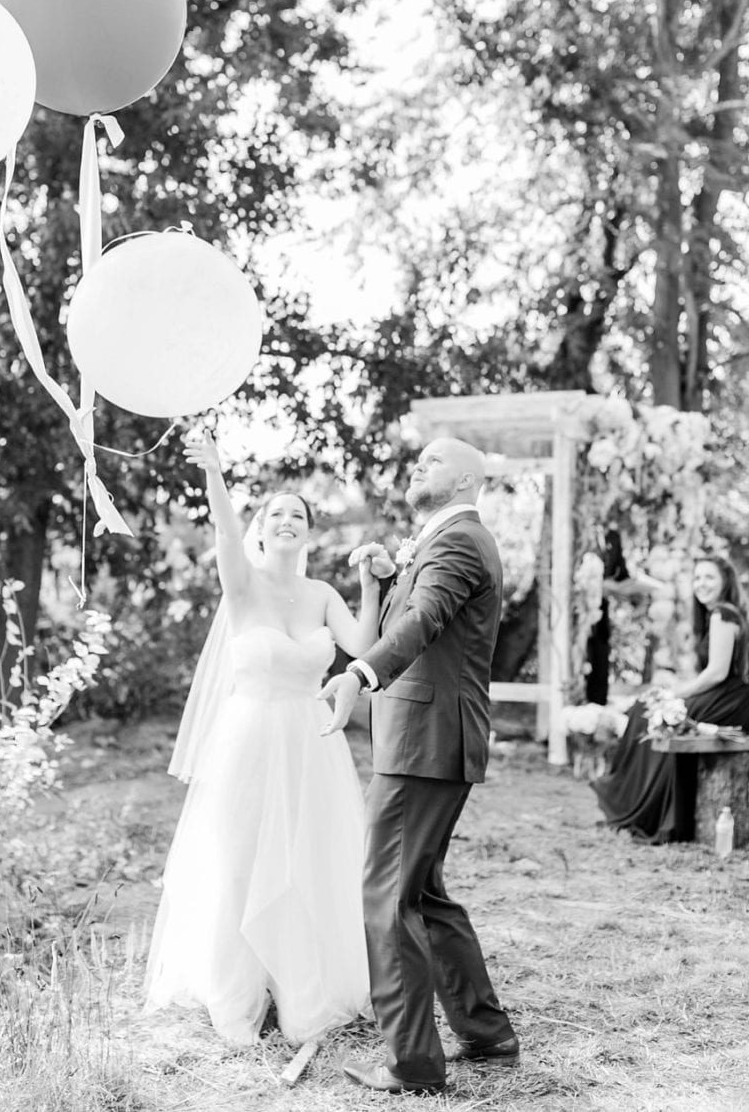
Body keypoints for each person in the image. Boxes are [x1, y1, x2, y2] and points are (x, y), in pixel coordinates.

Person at [144, 428, 375, 1046]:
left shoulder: (324, 594)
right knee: (242, 857)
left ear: (308, 531)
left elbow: (361, 647)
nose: (288, 520)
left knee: (308, 855)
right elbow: (223, 535)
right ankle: (237, 990)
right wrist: (217, 476)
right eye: (277, 513)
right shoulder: (243, 585)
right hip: (248, 739)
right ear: (263, 528)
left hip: (311, 741)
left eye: (299, 514)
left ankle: (300, 988)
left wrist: (373, 584)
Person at [320, 438, 518, 1094]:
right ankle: (487, 1036)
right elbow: (420, 605)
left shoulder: (458, 540)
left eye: (431, 461)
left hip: (425, 743)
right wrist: (387, 577)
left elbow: (426, 620)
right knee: (424, 895)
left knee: (387, 897)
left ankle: (411, 1065)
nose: (416, 467)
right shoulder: (443, 540)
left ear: (467, 477)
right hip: (430, 740)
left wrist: (360, 670)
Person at [593, 555, 748, 843]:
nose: (701, 583)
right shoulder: (719, 614)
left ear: (725, 581)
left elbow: (717, 673)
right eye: (698, 577)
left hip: (731, 698)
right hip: (726, 695)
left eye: (709, 577)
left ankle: (644, 811)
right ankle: (639, 805)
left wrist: (676, 694)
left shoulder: (723, 614)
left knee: (651, 714)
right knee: (644, 709)